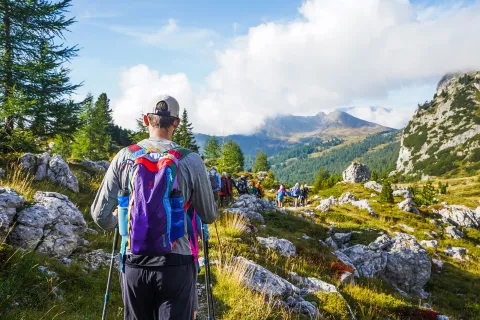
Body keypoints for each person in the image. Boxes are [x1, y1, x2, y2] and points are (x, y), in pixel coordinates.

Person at [91, 94, 218, 320]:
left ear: (145, 120)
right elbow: (208, 214)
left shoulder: (125, 157)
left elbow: (99, 214)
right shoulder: (191, 160)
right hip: (177, 262)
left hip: (134, 260)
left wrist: (123, 224)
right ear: (176, 123)